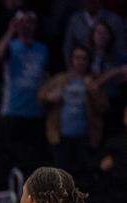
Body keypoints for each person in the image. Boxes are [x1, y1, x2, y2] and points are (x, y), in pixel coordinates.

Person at [38, 46, 108, 178]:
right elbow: (41, 97)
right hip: (60, 136)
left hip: (86, 137)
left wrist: (93, 90)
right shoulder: (60, 79)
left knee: (83, 178)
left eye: (84, 58)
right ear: (71, 60)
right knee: (62, 178)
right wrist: (49, 97)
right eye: (77, 58)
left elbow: (103, 107)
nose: (80, 61)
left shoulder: (93, 81)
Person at [0, 10, 49, 164]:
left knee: (33, 160)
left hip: (35, 113)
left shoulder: (42, 49)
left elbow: (45, 76)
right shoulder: (11, 46)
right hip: (12, 111)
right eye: (23, 22)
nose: (27, 26)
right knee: (11, 158)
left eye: (30, 22)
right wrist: (11, 31)